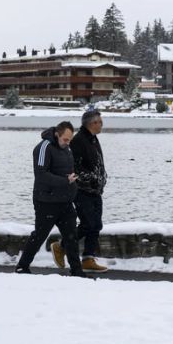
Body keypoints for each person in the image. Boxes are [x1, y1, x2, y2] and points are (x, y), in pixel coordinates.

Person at [14, 122, 86, 276]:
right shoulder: (43, 147)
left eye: (69, 140)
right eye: (65, 139)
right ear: (57, 134)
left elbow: (66, 171)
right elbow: (41, 175)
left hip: (65, 201)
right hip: (46, 201)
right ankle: (22, 266)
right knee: (40, 235)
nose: (68, 143)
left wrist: (73, 184)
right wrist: (65, 181)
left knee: (71, 236)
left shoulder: (66, 148)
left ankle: (77, 271)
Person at [51, 109, 108, 273]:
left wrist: (102, 178)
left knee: (96, 225)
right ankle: (61, 247)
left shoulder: (93, 139)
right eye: (100, 122)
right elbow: (74, 167)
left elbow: (97, 163)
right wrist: (92, 178)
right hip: (82, 190)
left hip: (95, 190)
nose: (102, 125)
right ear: (93, 123)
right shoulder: (79, 141)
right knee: (89, 223)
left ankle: (88, 258)